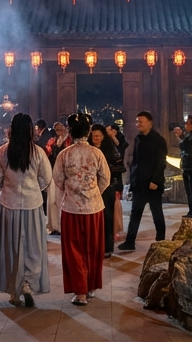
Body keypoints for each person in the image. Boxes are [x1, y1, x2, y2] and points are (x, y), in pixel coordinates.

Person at [0, 113, 52, 307]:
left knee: (12, 247)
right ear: (30, 130)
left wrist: (8, 188)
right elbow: (46, 178)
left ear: (11, 129)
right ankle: (28, 284)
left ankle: (14, 291)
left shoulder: (3, 151)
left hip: (9, 205)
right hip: (33, 204)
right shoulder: (38, 152)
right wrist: (33, 189)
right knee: (33, 247)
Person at [53, 114, 109, 306]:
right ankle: (91, 286)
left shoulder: (64, 154)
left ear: (70, 130)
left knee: (74, 250)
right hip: (94, 208)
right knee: (93, 248)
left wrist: (74, 190)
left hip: (71, 209)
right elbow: (105, 179)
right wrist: (93, 192)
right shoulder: (97, 153)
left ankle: (80, 292)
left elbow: (58, 180)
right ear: (89, 130)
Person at [117, 111, 167, 252]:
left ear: (150, 122)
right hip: (139, 183)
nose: (138, 124)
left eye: (141, 121)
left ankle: (161, 240)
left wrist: (155, 180)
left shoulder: (159, 140)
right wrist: (133, 177)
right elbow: (136, 161)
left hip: (152, 184)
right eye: (137, 121)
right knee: (135, 213)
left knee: (157, 212)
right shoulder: (138, 138)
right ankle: (130, 241)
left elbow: (161, 163)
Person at [92, 123, 122, 257]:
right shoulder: (89, 150)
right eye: (94, 136)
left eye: (99, 135)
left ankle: (107, 247)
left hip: (108, 188)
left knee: (107, 218)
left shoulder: (110, 149)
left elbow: (119, 167)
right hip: (92, 189)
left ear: (103, 136)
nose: (97, 138)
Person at [45, 120, 72, 234]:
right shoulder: (53, 141)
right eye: (56, 129)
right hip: (53, 172)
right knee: (52, 200)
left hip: (65, 174)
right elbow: (47, 154)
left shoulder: (69, 141)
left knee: (63, 200)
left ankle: (64, 225)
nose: (59, 130)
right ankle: (55, 225)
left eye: (60, 128)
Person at [107, 124, 128, 240]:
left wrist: (112, 137)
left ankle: (115, 229)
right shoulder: (105, 142)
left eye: (112, 131)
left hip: (115, 176)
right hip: (107, 175)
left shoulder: (120, 140)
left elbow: (120, 149)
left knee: (116, 203)